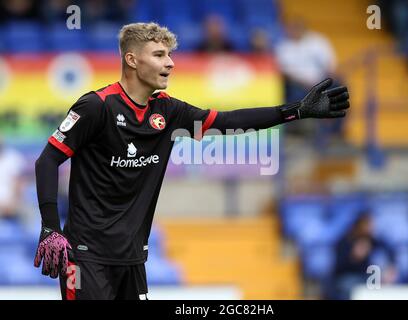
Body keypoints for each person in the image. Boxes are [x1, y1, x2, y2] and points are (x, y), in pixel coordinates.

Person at [34, 22, 350, 300]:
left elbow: (227, 121)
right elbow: (47, 161)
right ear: (131, 60)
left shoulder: (169, 111)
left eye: (170, 55)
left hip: (132, 259)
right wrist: (51, 227)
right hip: (85, 257)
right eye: (159, 55)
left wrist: (296, 111)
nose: (170, 63)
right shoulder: (96, 106)